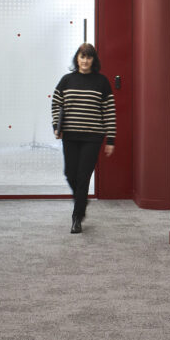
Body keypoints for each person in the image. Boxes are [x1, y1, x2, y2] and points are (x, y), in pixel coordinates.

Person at [50, 43, 115, 233]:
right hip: (70, 135)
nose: (85, 60)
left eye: (88, 57)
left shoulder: (102, 82)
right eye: (82, 56)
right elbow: (55, 104)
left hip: (93, 136)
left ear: (93, 60)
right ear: (76, 59)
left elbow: (109, 112)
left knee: (83, 176)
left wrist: (110, 139)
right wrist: (57, 126)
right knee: (70, 173)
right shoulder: (66, 80)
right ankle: (82, 200)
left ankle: (77, 217)